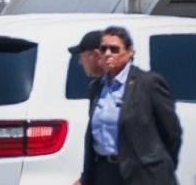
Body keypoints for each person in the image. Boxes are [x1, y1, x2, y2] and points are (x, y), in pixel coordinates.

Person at [78, 26, 182, 185]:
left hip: (141, 174)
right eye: (104, 49)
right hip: (105, 173)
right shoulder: (96, 87)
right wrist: (87, 177)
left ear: (129, 52)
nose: (107, 54)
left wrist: (159, 167)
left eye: (114, 49)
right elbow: (93, 138)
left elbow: (171, 133)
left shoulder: (148, 83)